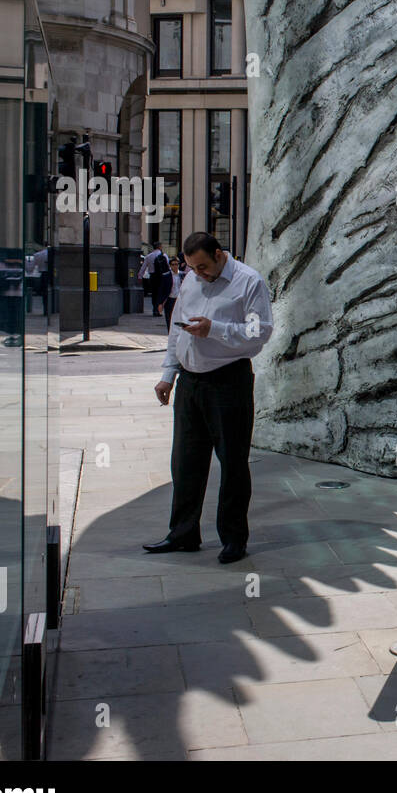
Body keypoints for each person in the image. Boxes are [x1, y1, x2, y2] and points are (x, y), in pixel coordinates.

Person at [146, 232, 274, 564]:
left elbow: (259, 333)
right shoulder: (190, 280)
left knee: (232, 462)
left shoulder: (249, 282)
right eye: (192, 268)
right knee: (185, 462)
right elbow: (177, 327)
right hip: (191, 382)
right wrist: (167, 375)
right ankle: (183, 533)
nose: (198, 274)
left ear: (219, 254)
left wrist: (213, 329)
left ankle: (233, 538)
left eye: (203, 266)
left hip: (228, 380)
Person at [139, 243, 169, 316]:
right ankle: (158, 309)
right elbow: (168, 267)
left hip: (153, 277)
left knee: (154, 293)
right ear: (160, 247)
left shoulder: (149, 256)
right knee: (161, 293)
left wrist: (140, 276)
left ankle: (154, 309)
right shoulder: (164, 255)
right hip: (162, 277)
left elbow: (143, 267)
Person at [158, 256, 184, 332]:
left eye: (177, 264)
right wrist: (160, 303)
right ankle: (170, 334)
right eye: (173, 264)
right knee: (169, 319)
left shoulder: (183, 275)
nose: (175, 266)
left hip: (180, 300)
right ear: (170, 265)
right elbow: (161, 290)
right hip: (169, 300)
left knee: (179, 319)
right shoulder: (166, 276)